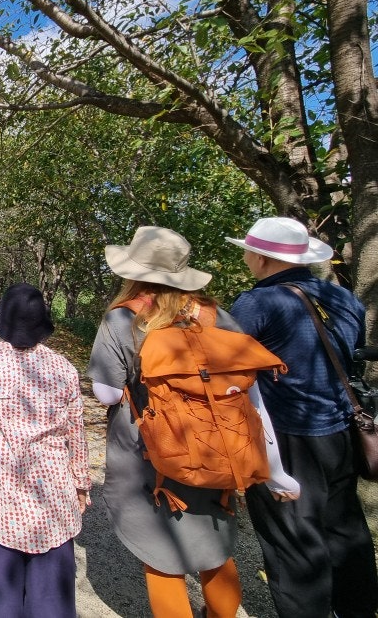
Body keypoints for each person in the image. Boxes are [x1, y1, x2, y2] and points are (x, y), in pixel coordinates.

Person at [88, 226, 299, 618]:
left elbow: (107, 393)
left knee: (162, 555)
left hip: (150, 451)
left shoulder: (123, 319)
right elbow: (247, 387)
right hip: (219, 441)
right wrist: (274, 467)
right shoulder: (215, 314)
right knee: (214, 547)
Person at [227, 216, 378, 618]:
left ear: (260, 258)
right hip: (343, 431)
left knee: (292, 542)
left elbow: (224, 369)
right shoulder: (345, 299)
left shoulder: (256, 303)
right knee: (345, 531)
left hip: (286, 438)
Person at [0, 283, 90, 617]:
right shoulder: (64, 369)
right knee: (52, 601)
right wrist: (81, 484)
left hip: (0, 492)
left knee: (0, 596)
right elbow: (76, 434)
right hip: (53, 496)